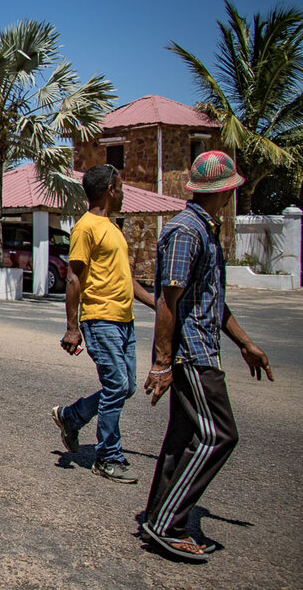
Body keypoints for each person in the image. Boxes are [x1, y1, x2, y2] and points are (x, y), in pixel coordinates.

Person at [140, 150, 273, 562]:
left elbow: (211, 302)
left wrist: (245, 343)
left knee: (183, 438)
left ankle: (157, 515)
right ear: (227, 191)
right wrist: (163, 363)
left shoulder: (205, 230)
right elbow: (168, 300)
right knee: (219, 435)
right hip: (190, 352)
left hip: (202, 346)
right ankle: (168, 523)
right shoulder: (186, 231)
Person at [52, 164, 155, 483]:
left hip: (124, 320)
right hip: (100, 319)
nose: (123, 192)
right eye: (121, 186)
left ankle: (72, 417)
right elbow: (73, 277)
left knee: (126, 387)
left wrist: (157, 304)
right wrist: (72, 326)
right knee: (116, 387)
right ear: (111, 188)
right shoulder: (86, 227)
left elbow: (125, 277)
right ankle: (108, 457)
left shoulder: (112, 228)